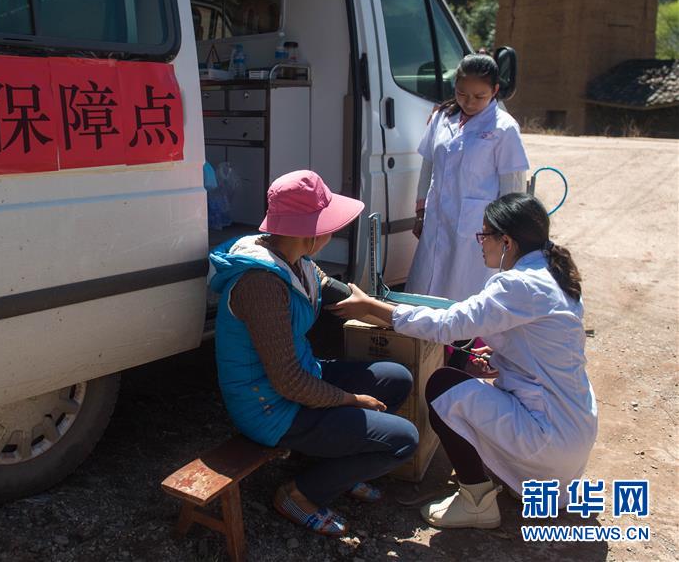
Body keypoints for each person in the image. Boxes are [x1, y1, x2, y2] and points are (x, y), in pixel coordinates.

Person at [330, 193, 597, 529]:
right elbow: (545, 346)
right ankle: (526, 476)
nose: (480, 243)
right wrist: (505, 357)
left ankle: (477, 502)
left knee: (443, 385)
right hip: (573, 432)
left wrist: (369, 306)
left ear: (507, 241)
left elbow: (446, 325)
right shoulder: (551, 272)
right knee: (470, 392)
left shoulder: (518, 285)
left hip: (548, 440)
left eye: (484, 235)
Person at [209, 170, 418, 536]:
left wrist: (381, 309)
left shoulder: (295, 259)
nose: (332, 232)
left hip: (299, 379)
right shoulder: (261, 284)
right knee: (403, 442)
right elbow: (287, 381)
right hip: (269, 407)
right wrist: (350, 400)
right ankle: (301, 495)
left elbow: (328, 288)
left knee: (396, 377)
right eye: (328, 224)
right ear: (310, 232)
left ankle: (344, 464)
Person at [410, 54, 530, 303]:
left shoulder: (504, 128)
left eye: (479, 97)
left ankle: (464, 342)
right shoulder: (443, 118)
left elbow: (513, 187)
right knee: (426, 293)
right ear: (455, 86)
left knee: (467, 297)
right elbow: (428, 164)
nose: (470, 103)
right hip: (437, 219)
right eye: (462, 94)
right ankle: (425, 341)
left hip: (479, 229)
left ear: (495, 91)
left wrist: (505, 232)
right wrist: (422, 211)